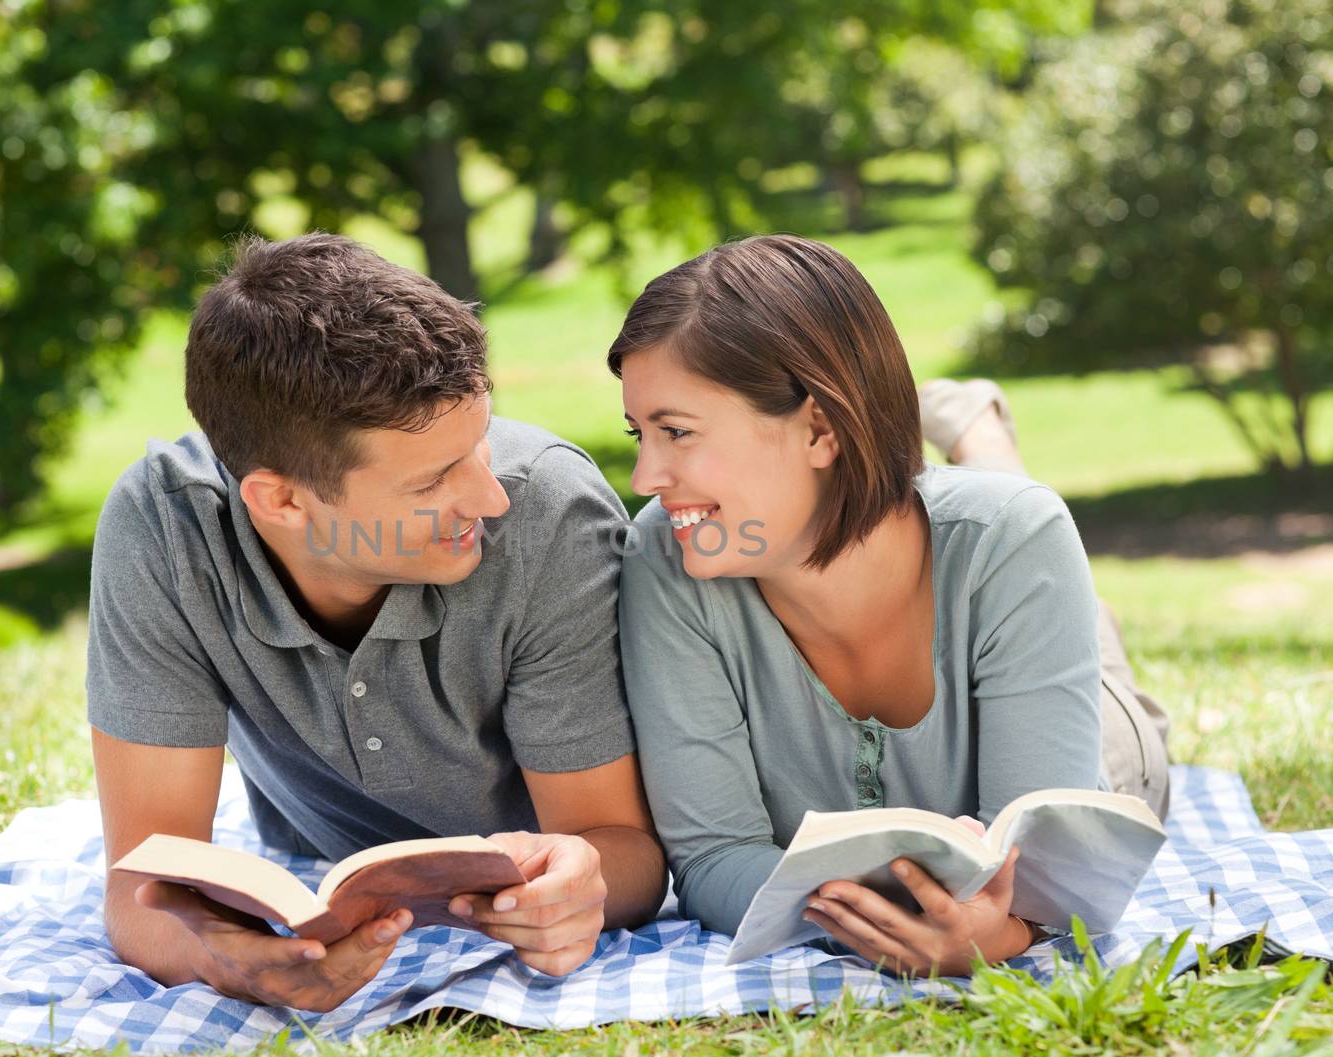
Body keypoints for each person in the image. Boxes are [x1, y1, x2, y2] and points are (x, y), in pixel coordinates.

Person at [88, 233, 665, 1013]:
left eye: (481, 444)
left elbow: (624, 850)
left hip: (510, 903)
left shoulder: (545, 514)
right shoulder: (164, 528)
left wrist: (581, 886)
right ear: (281, 501)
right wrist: (240, 965)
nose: (488, 498)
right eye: (432, 481)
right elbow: (144, 888)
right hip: (311, 863)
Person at [609, 234, 1170, 978]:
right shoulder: (665, 556)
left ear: (819, 427)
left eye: (676, 431)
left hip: (1104, 749)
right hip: (982, 559)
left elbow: (1048, 872)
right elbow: (713, 855)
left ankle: (981, 435)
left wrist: (998, 936)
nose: (647, 475)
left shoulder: (1013, 539)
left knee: (1036, 553)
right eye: (638, 434)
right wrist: (877, 925)